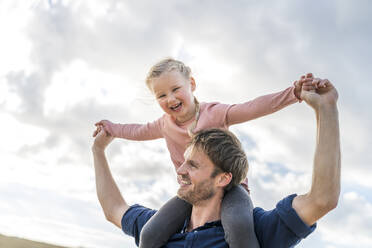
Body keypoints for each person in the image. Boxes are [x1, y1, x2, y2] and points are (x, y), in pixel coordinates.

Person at [91, 76, 340, 247]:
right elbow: (113, 209)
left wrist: (325, 109)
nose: (180, 170)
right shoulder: (162, 229)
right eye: (184, 161)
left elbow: (322, 199)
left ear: (223, 177)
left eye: (193, 165)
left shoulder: (257, 231)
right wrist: (98, 151)